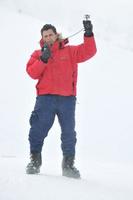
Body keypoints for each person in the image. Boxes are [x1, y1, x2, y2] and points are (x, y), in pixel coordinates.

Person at [26, 18, 97, 178]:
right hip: (45, 99)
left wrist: (88, 33)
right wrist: (43, 59)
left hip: (67, 100)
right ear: (42, 38)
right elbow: (32, 73)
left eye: (51, 34)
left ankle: (68, 165)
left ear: (56, 35)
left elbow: (89, 51)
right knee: (37, 129)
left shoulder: (70, 51)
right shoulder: (37, 54)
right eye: (45, 36)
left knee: (69, 133)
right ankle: (35, 161)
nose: (48, 38)